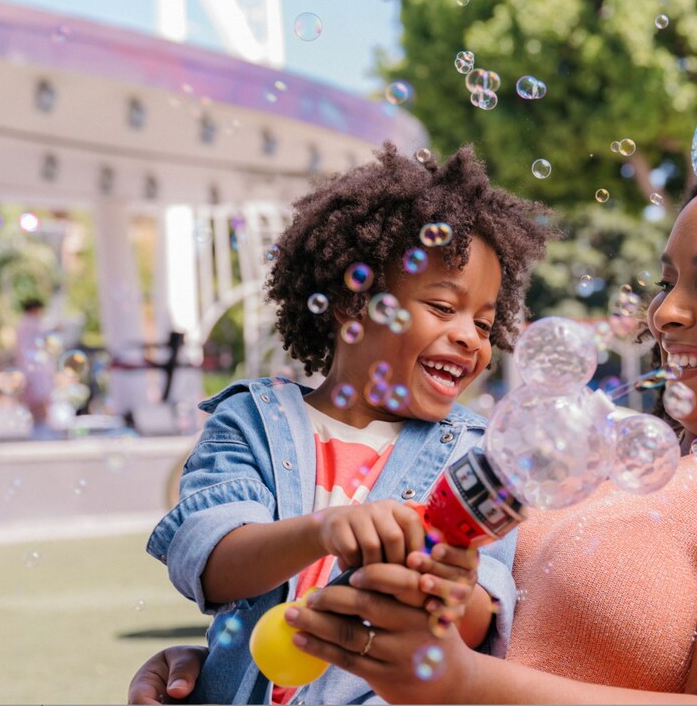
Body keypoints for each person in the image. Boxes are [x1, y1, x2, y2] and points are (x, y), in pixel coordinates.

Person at [130, 88, 697, 704]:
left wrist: (457, 683)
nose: (666, 311)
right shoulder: (656, 461)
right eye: (667, 281)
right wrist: (247, 653)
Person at [139, 143, 556, 705]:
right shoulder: (252, 422)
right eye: (441, 307)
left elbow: (482, 619)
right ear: (352, 304)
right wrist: (324, 528)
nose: (470, 338)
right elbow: (210, 559)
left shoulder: (475, 458)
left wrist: (456, 593)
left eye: (484, 324)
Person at [14, 297, 55, 438]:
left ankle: (40, 426)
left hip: (33, 366)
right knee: (39, 396)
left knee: (38, 397)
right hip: (35, 367)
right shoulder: (30, 324)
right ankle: (41, 426)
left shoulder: (25, 324)